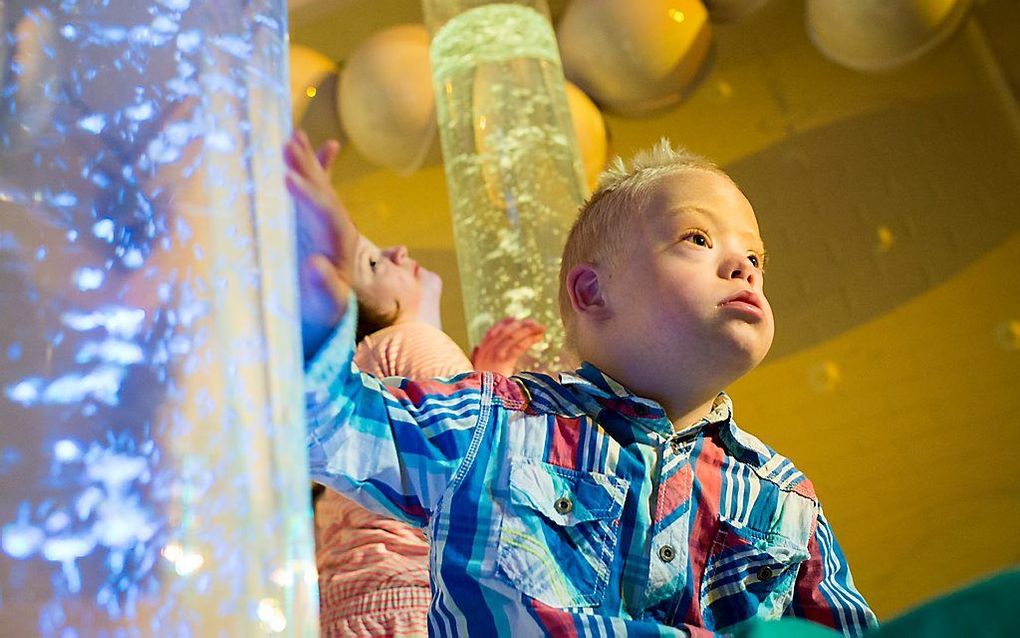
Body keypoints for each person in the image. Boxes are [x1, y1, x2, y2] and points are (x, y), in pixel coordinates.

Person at [286, 129, 878, 636]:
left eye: (757, 258)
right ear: (592, 293)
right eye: (698, 238)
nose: (744, 266)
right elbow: (329, 425)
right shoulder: (495, 425)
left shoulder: (789, 498)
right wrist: (323, 313)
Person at [288, 133, 544, 636]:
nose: (399, 249)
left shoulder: (373, 364)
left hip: (350, 603)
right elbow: (499, 467)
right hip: (413, 602)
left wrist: (481, 381)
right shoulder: (409, 339)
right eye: (374, 263)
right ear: (366, 313)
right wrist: (489, 388)